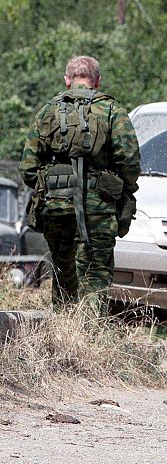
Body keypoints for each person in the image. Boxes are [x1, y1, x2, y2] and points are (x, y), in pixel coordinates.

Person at [19, 55, 140, 314]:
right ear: (97, 80)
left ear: (67, 80)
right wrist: (121, 189)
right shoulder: (112, 110)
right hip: (99, 208)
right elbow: (129, 161)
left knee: (63, 269)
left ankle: (64, 328)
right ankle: (88, 330)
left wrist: (52, 185)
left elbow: (28, 168)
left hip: (56, 206)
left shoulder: (48, 111)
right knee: (95, 273)